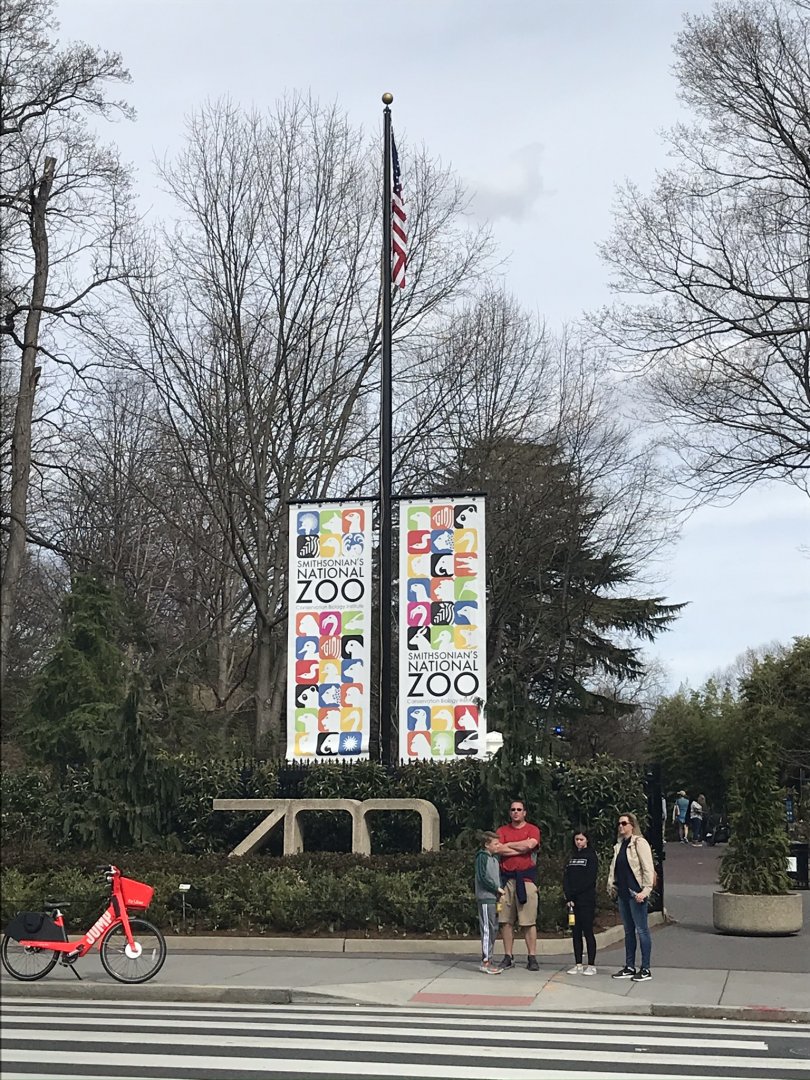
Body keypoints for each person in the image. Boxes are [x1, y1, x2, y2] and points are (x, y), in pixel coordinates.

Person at [608, 811, 655, 982]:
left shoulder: (639, 843)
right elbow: (614, 868)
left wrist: (645, 890)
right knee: (628, 931)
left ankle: (646, 968)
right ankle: (629, 966)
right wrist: (611, 885)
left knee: (642, 930)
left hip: (636, 892)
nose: (621, 826)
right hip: (622, 892)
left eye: (624, 823)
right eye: (619, 823)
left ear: (632, 826)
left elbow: (647, 868)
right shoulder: (619, 844)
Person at [494, 798, 541, 970]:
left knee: (528, 921)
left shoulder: (533, 829)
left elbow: (530, 845)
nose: (516, 812)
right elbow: (497, 849)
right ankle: (508, 956)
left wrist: (509, 846)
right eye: (513, 809)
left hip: (526, 880)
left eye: (519, 809)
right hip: (506, 881)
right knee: (506, 921)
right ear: (509, 812)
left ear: (524, 812)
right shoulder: (502, 830)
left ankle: (532, 957)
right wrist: (519, 847)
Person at [563, 828, 598, 975]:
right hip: (573, 901)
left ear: (587, 840)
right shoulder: (571, 857)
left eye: (581, 839)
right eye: (577, 839)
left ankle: (591, 964)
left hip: (586, 899)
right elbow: (566, 877)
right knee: (575, 932)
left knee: (587, 931)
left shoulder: (591, 856)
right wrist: (569, 896)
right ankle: (578, 963)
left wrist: (577, 892)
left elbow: (590, 878)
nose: (578, 842)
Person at [474, 831, 504, 975]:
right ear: (487, 845)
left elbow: (496, 877)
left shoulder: (494, 859)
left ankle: (490, 958)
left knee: (493, 928)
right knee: (487, 928)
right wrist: (495, 888)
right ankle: (485, 961)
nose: (498, 846)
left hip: (494, 898)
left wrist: (499, 890)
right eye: (495, 844)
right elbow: (482, 877)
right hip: (485, 897)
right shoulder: (482, 858)